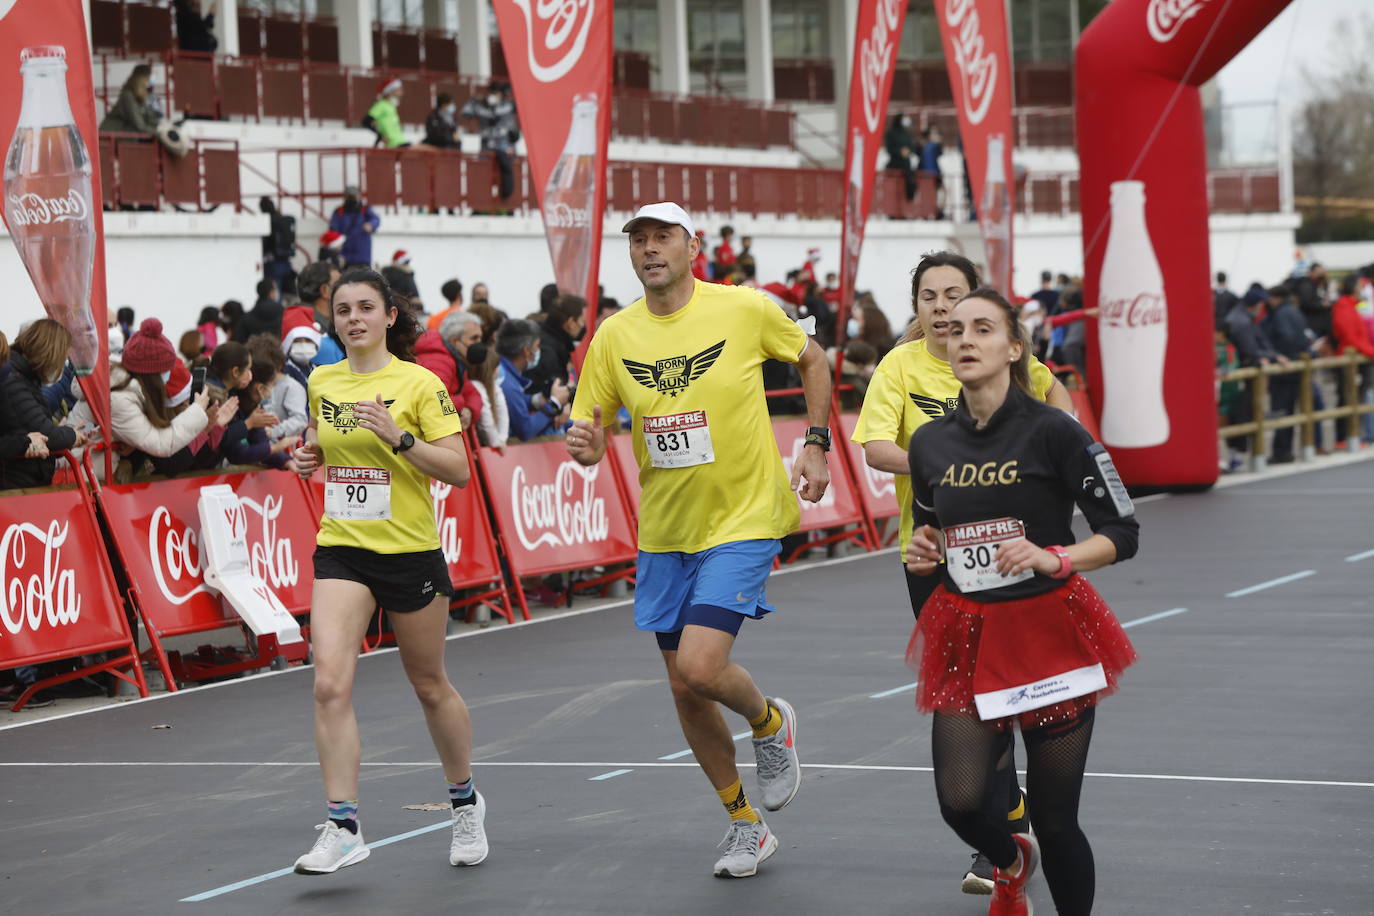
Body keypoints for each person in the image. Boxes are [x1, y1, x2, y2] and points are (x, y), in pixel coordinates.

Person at [566, 201, 831, 879]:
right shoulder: (614, 336)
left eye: (662, 238)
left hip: (742, 519)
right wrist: (588, 446)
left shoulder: (743, 308)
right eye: (639, 240)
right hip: (664, 532)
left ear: (691, 246)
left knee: (702, 667)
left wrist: (817, 444)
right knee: (686, 692)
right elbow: (588, 437)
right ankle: (746, 825)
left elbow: (814, 358)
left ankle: (771, 724)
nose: (649, 249)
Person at [904, 287, 1139, 916]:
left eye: (983, 329)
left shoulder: (1055, 431)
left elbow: (1123, 532)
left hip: (1048, 633)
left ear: (1013, 349)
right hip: (969, 632)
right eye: (955, 330)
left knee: (1057, 820)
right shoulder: (929, 444)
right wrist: (928, 549)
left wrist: (1053, 557)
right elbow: (933, 529)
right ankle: (1011, 861)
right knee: (960, 801)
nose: (965, 340)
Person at [850, 250, 1071, 897]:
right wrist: (943, 463)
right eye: (929, 297)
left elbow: (1056, 401)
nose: (942, 308)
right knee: (971, 694)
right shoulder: (899, 365)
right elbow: (873, 445)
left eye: (954, 294)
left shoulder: (1006, 356)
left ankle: (1003, 835)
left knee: (1001, 689)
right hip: (931, 554)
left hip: (1011, 552)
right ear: (915, 307)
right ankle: (1003, 825)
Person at [289, 267, 485, 875]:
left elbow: (457, 470)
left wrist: (400, 439)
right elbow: (327, 441)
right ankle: (343, 824)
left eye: (365, 307)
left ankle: (465, 802)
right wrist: (311, 453)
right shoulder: (323, 381)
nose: (353, 318)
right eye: (342, 308)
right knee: (328, 683)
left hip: (408, 551)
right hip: (343, 546)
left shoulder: (420, 383)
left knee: (429, 685)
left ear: (389, 316)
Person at [0, 320, 89, 489]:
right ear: (50, 354)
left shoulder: (23, 379)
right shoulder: (13, 381)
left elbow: (34, 433)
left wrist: (64, 432)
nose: (62, 365)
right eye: (62, 359)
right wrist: (70, 436)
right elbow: (46, 435)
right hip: (14, 485)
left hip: (22, 480)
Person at [495, 319, 568, 441]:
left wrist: (539, 400)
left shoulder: (504, 372)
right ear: (526, 351)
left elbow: (519, 401)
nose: (538, 351)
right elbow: (525, 430)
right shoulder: (507, 385)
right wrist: (554, 404)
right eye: (537, 346)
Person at [415, 310, 484, 430]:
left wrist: (469, 410)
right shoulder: (438, 360)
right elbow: (434, 402)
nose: (479, 344)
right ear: (454, 341)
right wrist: (462, 401)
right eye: (474, 338)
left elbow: (473, 393)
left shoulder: (454, 358)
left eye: (480, 338)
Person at [460, 81, 519, 201]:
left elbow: (521, 107)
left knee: (506, 170)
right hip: (486, 144)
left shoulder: (508, 105)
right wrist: (475, 100)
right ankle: (481, 202)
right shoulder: (480, 105)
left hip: (503, 144)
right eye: (491, 93)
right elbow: (465, 112)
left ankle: (507, 201)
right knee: (483, 172)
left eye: (496, 93)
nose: (493, 95)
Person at [247, 333, 309, 447]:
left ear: (279, 365)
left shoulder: (292, 387)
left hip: (283, 450)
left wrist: (273, 432)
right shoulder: (253, 383)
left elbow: (300, 420)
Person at [526, 293, 585, 393]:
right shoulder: (550, 351)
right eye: (581, 320)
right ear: (571, 323)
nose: (583, 325)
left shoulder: (544, 339)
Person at [297, 260, 346, 368]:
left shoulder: (294, 320)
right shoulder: (316, 332)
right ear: (325, 290)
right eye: (340, 284)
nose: (346, 289)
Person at [329, 186, 380, 270]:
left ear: (359, 196)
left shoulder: (365, 210)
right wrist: (337, 254)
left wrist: (371, 225)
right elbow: (333, 232)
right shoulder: (339, 212)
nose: (352, 199)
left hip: (363, 256)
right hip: (344, 257)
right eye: (350, 196)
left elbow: (376, 219)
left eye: (354, 196)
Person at [99, 65, 159, 136]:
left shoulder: (140, 96)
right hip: (111, 134)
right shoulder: (128, 96)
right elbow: (139, 125)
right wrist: (160, 133)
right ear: (142, 78)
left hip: (121, 133)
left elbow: (148, 118)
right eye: (151, 76)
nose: (154, 79)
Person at [260, 197, 298, 297]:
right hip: (286, 262)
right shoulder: (282, 220)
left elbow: (266, 242)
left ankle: (277, 311)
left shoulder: (268, 221)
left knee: (275, 291)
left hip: (273, 263)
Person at [365, 79, 408, 149]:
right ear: (390, 91)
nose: (401, 92)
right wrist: (380, 136)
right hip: (393, 145)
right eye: (399, 89)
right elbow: (366, 121)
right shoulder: (381, 105)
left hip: (400, 142)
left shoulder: (391, 106)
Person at [885, 113, 917, 202]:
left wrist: (908, 151)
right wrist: (899, 152)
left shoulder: (907, 133)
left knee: (910, 182)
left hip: (906, 164)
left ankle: (909, 199)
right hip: (894, 163)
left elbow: (912, 147)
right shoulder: (890, 132)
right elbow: (889, 148)